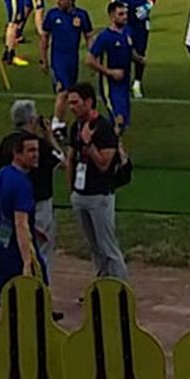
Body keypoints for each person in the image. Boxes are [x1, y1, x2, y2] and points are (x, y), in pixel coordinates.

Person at [0, 100, 64, 280]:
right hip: (38, 206)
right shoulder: (37, 144)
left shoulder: (5, 143)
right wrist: (49, 137)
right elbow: (62, 161)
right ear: (32, 120)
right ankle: (40, 295)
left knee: (13, 250)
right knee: (40, 252)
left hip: (8, 208)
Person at [66, 82, 127, 280]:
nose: (71, 107)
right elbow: (71, 159)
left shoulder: (104, 128)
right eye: (70, 103)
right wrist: (72, 191)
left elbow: (104, 165)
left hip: (99, 196)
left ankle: (120, 288)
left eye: (75, 103)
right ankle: (102, 285)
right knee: (94, 247)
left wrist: (89, 144)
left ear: (89, 102)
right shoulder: (76, 126)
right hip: (81, 195)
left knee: (108, 246)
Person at [0, 131, 46, 326]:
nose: (36, 155)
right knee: (34, 304)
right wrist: (28, 262)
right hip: (15, 251)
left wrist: (33, 228)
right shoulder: (23, 184)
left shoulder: (1, 176)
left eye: (36, 150)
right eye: (30, 151)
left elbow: (8, 213)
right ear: (17, 153)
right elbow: (20, 224)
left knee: (0, 303)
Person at [39, 0, 93, 138]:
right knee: (62, 91)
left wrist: (92, 54)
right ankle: (55, 124)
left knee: (70, 92)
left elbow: (89, 35)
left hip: (72, 60)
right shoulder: (52, 15)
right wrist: (43, 58)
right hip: (58, 59)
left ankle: (61, 125)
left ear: (71, 0)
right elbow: (44, 37)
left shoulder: (81, 16)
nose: (58, 1)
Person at [108, 0, 157, 99]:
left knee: (141, 50)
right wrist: (115, 4)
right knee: (124, 48)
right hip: (125, 16)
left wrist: (148, 6)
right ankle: (123, 81)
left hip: (140, 16)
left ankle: (137, 83)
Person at [85, 0, 145, 132]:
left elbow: (130, 49)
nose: (125, 17)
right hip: (110, 86)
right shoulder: (105, 37)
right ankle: (112, 149)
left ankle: (114, 148)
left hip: (124, 83)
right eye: (121, 14)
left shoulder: (127, 31)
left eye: (125, 14)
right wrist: (110, 72)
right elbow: (89, 60)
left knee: (122, 123)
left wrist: (138, 59)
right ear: (112, 16)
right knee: (118, 121)